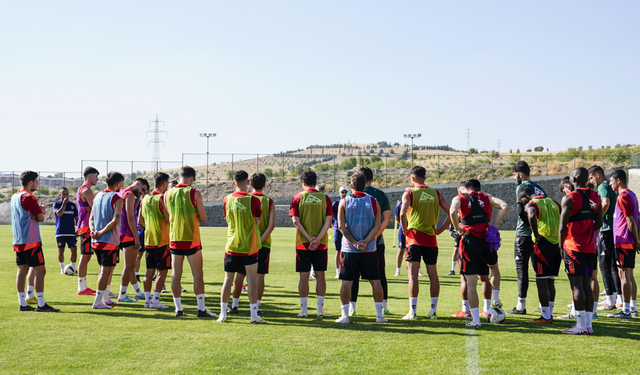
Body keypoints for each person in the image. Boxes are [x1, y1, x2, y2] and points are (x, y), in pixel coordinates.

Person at [450, 180, 509, 327]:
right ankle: (495, 301)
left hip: (469, 241)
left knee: (471, 283)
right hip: (486, 240)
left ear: (460, 190)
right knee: (493, 267)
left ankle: (475, 320)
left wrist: (458, 228)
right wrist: (494, 224)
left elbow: (452, 211)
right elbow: (505, 206)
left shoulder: (459, 198)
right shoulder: (485, 196)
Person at [399, 165, 451, 320]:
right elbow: (453, 212)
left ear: (412, 178)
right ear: (425, 178)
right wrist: (440, 230)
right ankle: (433, 312)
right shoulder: (435, 193)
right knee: (433, 275)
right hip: (430, 239)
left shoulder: (409, 192)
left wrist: (404, 230)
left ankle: (413, 312)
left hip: (414, 238)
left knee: (413, 276)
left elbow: (402, 213)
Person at [164, 166, 216, 317]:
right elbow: (203, 217)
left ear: (179, 176)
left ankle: (178, 309)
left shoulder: (167, 194)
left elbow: (169, 217)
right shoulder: (194, 192)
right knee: (198, 274)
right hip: (191, 239)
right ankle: (201, 309)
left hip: (174, 239)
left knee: (175, 275)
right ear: (191, 179)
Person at [335, 172, 386, 323]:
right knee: (376, 282)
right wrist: (365, 242)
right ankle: (379, 316)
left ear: (351, 186)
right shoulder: (373, 201)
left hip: (349, 249)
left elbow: (341, 227)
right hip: (369, 249)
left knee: (346, 282)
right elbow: (377, 226)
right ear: (365, 186)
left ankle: (345, 316)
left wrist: (355, 242)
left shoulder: (344, 202)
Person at [217, 170, 264, 324]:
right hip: (250, 246)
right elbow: (259, 219)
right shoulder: (254, 200)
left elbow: (227, 219)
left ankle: (222, 314)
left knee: (228, 279)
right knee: (251, 280)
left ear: (233, 183)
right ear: (249, 183)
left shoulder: (227, 199)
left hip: (232, 245)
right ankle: (253, 316)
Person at [559, 167, 602, 335]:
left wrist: (560, 245)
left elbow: (563, 226)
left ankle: (580, 326)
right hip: (590, 247)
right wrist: (587, 231)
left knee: (577, 286)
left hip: (573, 247)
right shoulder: (595, 196)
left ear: (574, 179)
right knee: (586, 284)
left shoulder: (569, 198)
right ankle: (588, 326)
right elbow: (599, 222)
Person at [227, 173, 276, 316]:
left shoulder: (244, 199)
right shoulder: (268, 201)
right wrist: (259, 241)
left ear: (250, 184)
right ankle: (256, 307)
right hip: (263, 244)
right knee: (259, 276)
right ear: (265, 185)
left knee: (239, 275)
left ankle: (234, 305)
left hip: (244, 243)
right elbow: (271, 225)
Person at [347, 167, 391, 316]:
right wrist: (374, 236)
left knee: (352, 276)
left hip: (353, 244)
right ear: (371, 179)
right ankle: (383, 308)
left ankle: (351, 309)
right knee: (379, 276)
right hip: (375, 242)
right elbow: (386, 219)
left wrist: (357, 241)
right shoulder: (380, 195)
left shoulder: (349, 195)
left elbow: (343, 222)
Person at [13, 171, 59, 312]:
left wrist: (36, 212)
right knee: (40, 270)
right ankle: (41, 304)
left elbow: (28, 214)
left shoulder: (15, 196)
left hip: (18, 239)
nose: (38, 184)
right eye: (37, 181)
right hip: (31, 240)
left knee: (22, 270)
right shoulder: (29, 197)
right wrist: (41, 211)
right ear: (30, 182)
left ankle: (23, 304)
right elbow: (41, 218)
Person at [290, 170, 333, 318]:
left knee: (304, 277)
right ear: (316, 182)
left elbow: (295, 221)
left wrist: (309, 239)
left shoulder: (297, 197)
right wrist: (317, 239)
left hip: (303, 243)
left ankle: (304, 311)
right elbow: (328, 222)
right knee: (320, 276)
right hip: (321, 243)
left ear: (303, 183)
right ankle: (320, 311)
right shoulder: (325, 198)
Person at [508, 161, 547, 315]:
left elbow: (519, 211)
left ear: (520, 174)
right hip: (540, 235)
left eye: (513, 174)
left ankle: (521, 306)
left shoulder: (522, 187)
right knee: (540, 271)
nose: (513, 178)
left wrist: (531, 227)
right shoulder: (540, 188)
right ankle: (543, 305)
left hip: (525, 234)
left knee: (522, 269)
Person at [518, 186, 561, 323]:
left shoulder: (532, 204)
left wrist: (536, 234)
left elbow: (531, 215)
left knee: (541, 281)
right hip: (556, 245)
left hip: (543, 244)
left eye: (522, 201)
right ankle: (550, 313)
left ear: (525, 196)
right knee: (550, 281)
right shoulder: (554, 202)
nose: (523, 204)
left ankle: (546, 317)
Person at [589, 166, 623, 311]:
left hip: (606, 229)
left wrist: (599, 219)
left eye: (591, 178)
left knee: (604, 266)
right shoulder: (611, 186)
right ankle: (618, 299)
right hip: (614, 229)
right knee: (614, 266)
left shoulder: (602, 186)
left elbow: (606, 203)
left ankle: (610, 300)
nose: (591, 181)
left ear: (597, 175)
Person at [89, 171, 125, 309]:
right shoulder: (117, 198)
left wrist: (93, 231)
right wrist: (100, 232)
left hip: (96, 240)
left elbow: (91, 217)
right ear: (118, 183)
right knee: (105, 271)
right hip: (109, 241)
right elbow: (115, 221)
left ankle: (104, 298)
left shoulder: (97, 196)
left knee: (102, 270)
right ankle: (97, 302)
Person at [607, 169, 639, 318]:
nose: (610, 183)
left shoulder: (623, 196)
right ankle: (632, 308)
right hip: (628, 241)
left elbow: (630, 221)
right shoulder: (632, 194)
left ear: (618, 181)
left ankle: (626, 310)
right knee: (629, 275)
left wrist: (637, 240)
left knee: (624, 275)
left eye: (611, 181)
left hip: (624, 241)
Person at [139, 172, 171, 309]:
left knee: (149, 271)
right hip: (162, 241)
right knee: (162, 272)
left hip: (148, 240)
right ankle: (155, 301)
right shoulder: (162, 199)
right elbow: (169, 218)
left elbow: (140, 220)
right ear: (164, 184)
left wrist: (150, 227)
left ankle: (147, 300)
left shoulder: (145, 199)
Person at [117, 178, 149, 303]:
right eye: (142, 189)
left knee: (129, 266)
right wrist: (136, 238)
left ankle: (137, 292)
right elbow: (131, 218)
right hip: (128, 234)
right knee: (129, 266)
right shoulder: (129, 195)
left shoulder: (122, 192)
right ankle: (122, 295)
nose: (142, 193)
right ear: (136, 184)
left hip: (120, 234)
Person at [77, 166, 100, 296]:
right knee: (85, 256)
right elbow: (96, 208)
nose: (97, 179)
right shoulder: (86, 191)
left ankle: (83, 286)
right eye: (96, 176)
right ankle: (81, 288)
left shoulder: (83, 189)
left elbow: (91, 208)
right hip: (86, 227)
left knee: (86, 256)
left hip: (84, 226)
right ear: (89, 176)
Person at [395, 200, 424, 277]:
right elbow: (397, 217)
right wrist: (403, 225)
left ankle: (419, 270)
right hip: (403, 230)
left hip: (413, 230)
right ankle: (398, 270)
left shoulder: (415, 202)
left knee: (416, 250)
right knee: (401, 250)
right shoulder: (400, 204)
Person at [53, 187, 78, 275]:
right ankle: (62, 268)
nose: (66, 195)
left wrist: (78, 229)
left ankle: (73, 267)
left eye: (67, 194)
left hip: (71, 232)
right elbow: (59, 214)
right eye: (64, 194)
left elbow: (77, 218)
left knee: (74, 250)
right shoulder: (56, 204)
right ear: (60, 195)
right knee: (61, 251)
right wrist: (64, 204)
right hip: (60, 232)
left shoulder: (72, 205)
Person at [332, 186, 349, 279]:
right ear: (339, 193)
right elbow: (330, 217)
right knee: (338, 251)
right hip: (338, 230)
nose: (344, 194)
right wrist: (334, 226)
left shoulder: (350, 203)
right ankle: (338, 271)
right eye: (342, 192)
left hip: (348, 229)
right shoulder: (336, 204)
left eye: (345, 192)